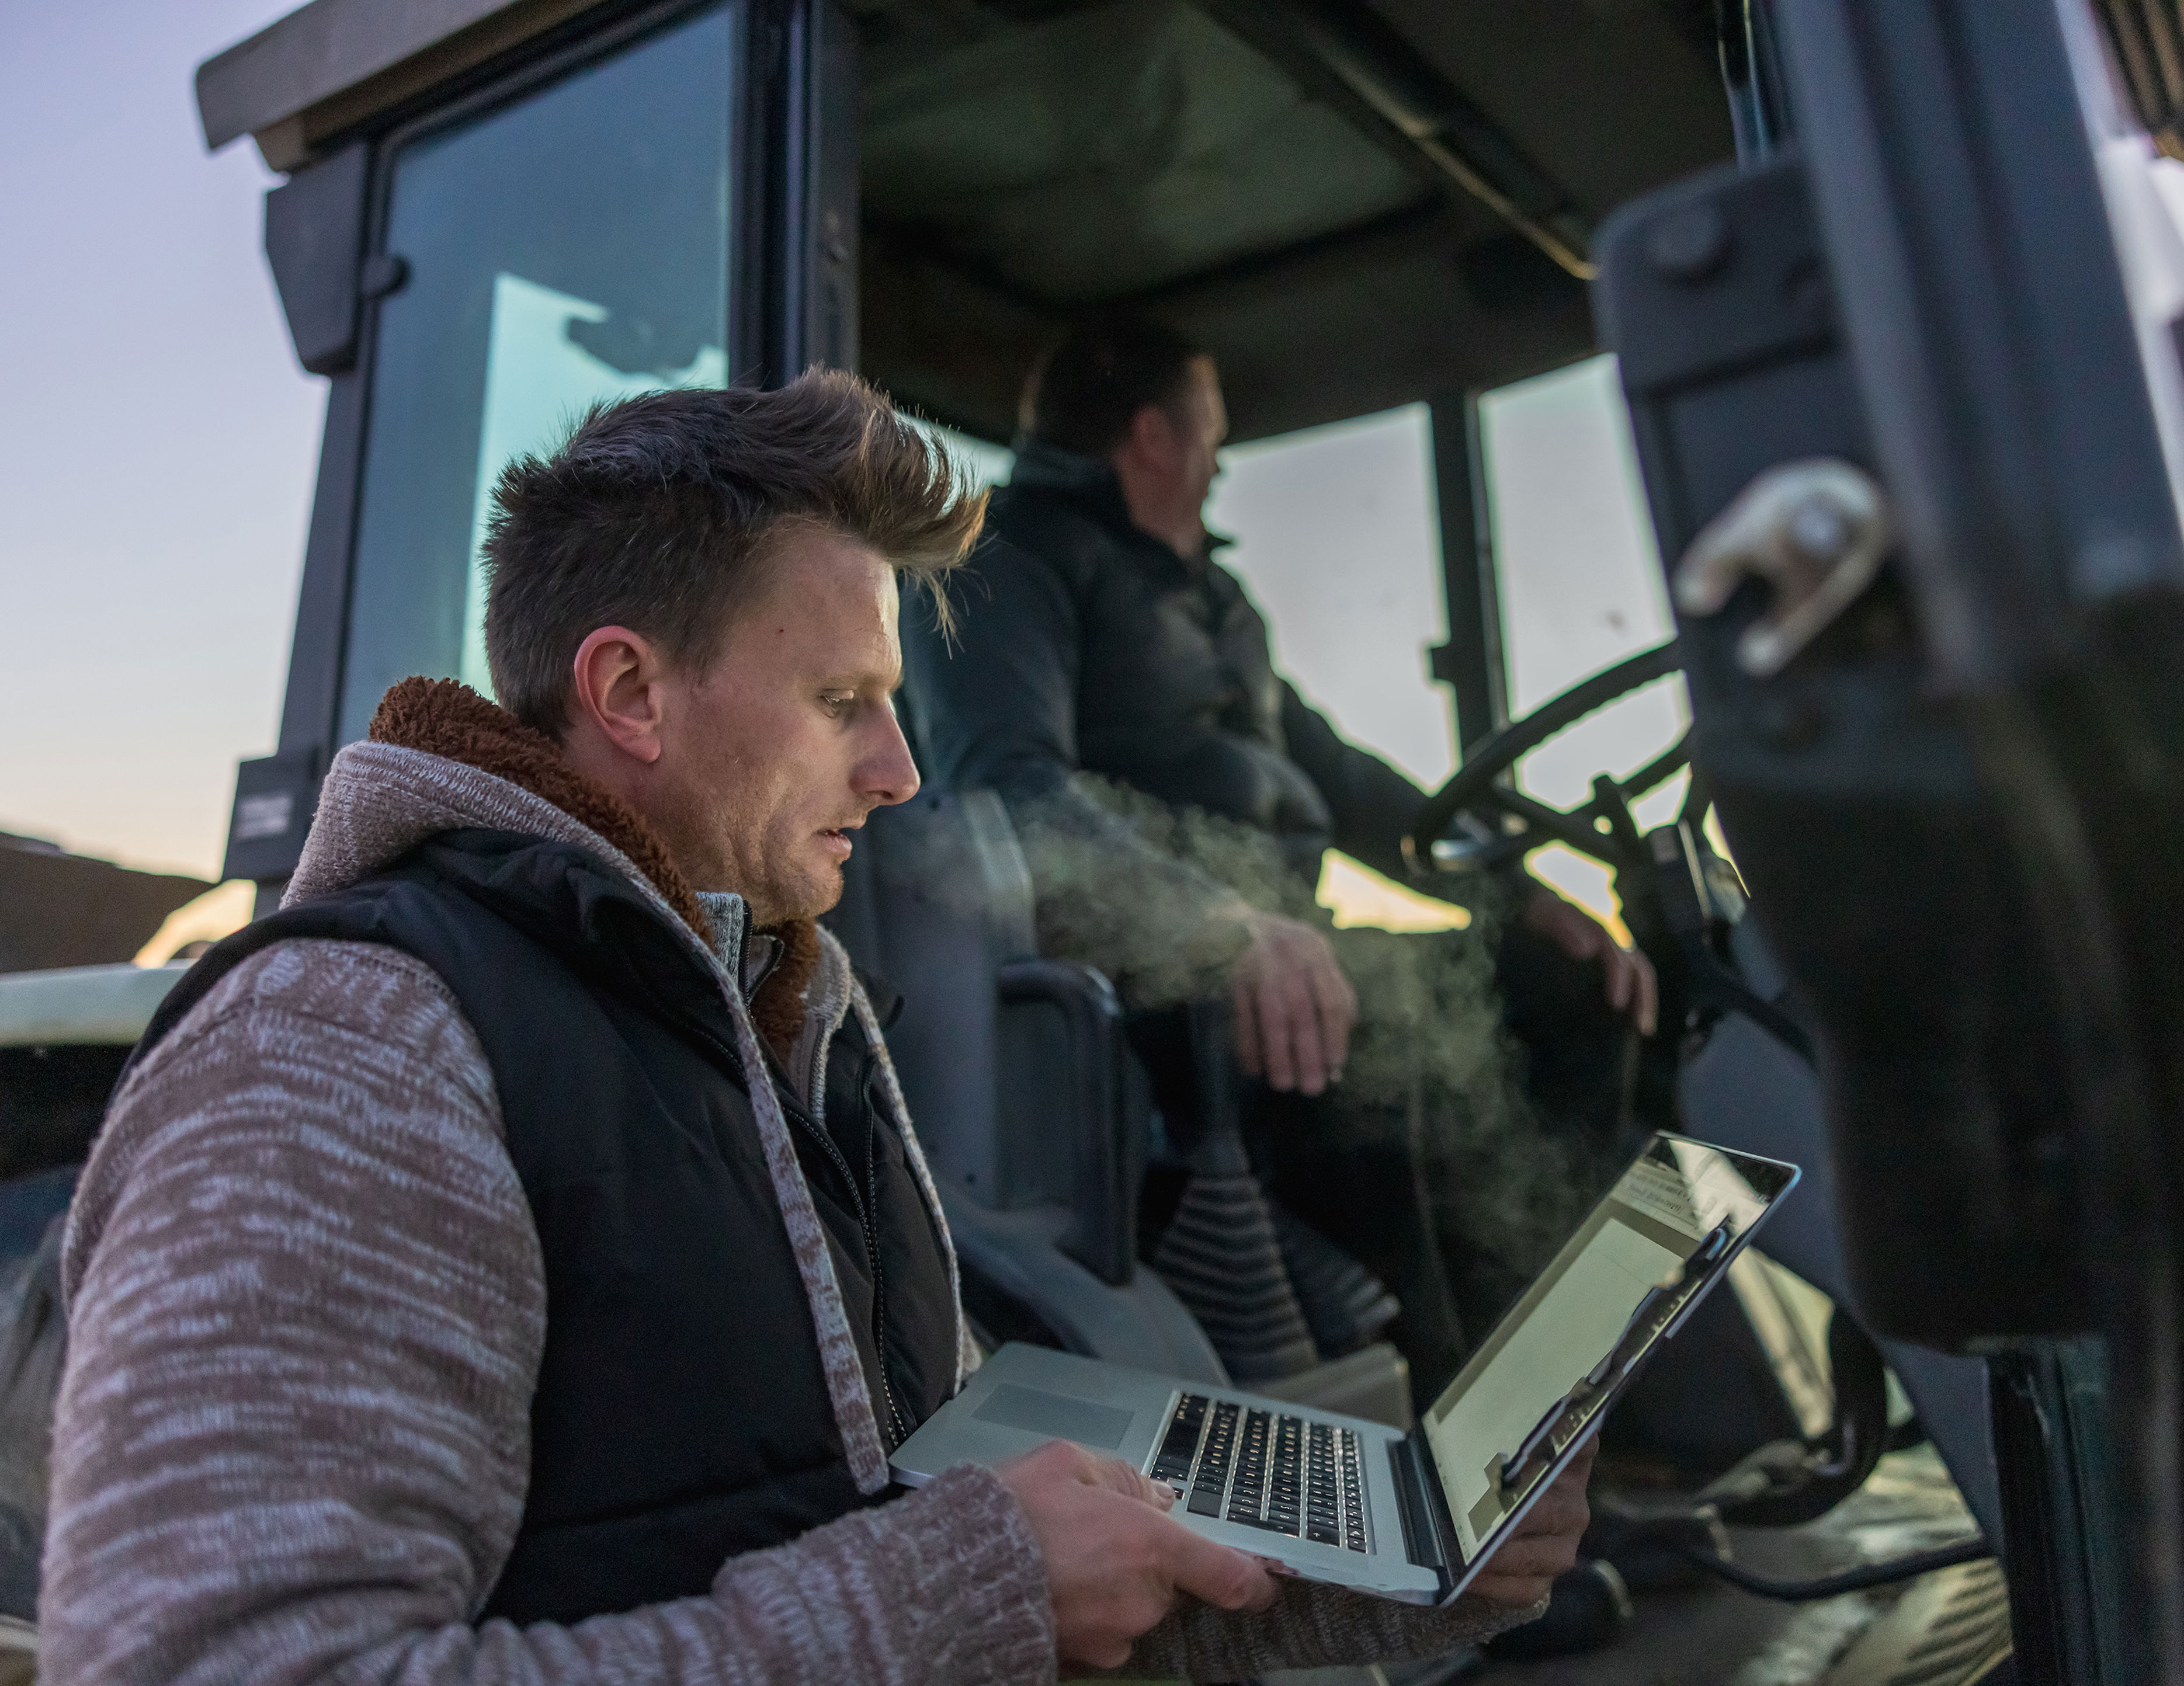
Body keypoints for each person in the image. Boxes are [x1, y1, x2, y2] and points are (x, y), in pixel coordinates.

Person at [41, 374, 1592, 1684]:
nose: (904, 769)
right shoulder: (351, 1052)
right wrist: (957, 1594)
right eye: (845, 697)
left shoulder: (796, 1019)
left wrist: (1397, 1560)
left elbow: (1006, 1552)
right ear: (633, 692)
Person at [902, 319, 1660, 1381]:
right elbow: (1008, 788)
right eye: (1213, 433)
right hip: (1140, 966)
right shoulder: (1006, 556)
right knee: (1384, 1018)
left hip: (1285, 933)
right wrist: (1209, 924)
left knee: (1571, 983)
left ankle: (1552, 1376)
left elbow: (1345, 784)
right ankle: (1445, 1417)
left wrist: (1520, 890)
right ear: (1156, 436)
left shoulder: (1218, 605)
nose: (1223, 462)